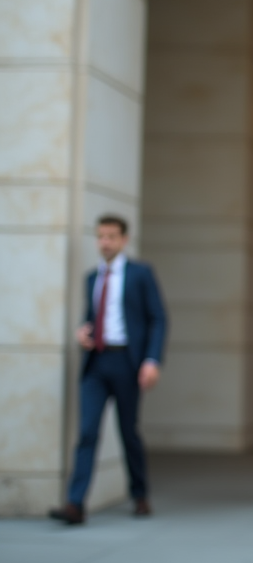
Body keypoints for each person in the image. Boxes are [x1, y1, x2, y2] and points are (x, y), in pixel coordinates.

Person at [50, 215, 168, 526]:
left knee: (128, 432)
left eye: (112, 236)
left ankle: (140, 493)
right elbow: (92, 316)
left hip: (127, 363)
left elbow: (158, 318)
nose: (105, 242)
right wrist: (82, 334)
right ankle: (76, 504)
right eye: (101, 236)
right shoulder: (92, 278)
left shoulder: (141, 274)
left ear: (124, 240)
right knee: (87, 432)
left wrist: (152, 361)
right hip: (96, 364)